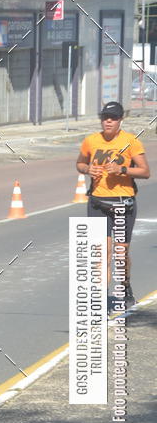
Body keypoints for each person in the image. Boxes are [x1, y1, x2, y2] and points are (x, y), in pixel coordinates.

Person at [76, 102, 150, 307]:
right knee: (102, 253)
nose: (108, 121)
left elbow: (145, 172)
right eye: (105, 117)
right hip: (98, 202)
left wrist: (123, 169)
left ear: (120, 120)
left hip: (123, 204)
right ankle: (99, 301)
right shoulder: (90, 141)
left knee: (121, 253)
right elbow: (80, 163)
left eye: (113, 117)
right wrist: (87, 169)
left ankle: (125, 286)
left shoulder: (131, 142)